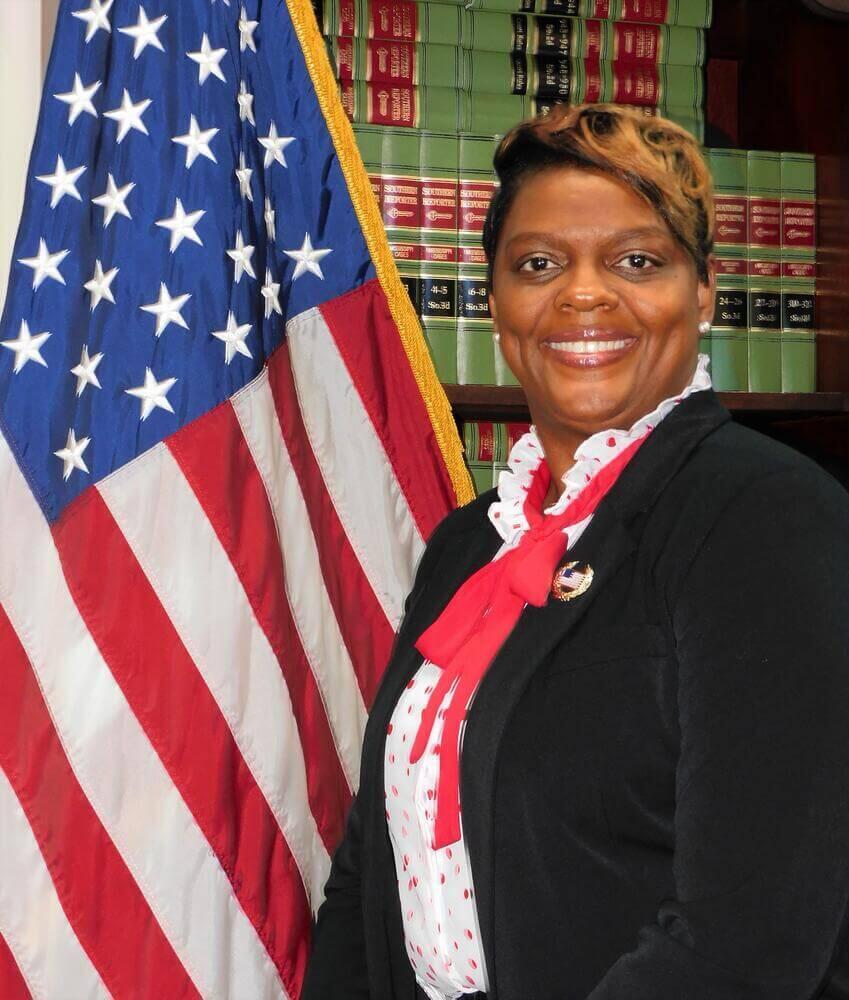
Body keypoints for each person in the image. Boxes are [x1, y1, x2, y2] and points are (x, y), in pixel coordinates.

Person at [302, 104, 849, 1000]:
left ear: (703, 291)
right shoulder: (468, 543)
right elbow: (371, 869)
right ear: (494, 299)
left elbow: (749, 939)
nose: (583, 294)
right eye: (538, 264)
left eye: (637, 261)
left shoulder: (765, 517)